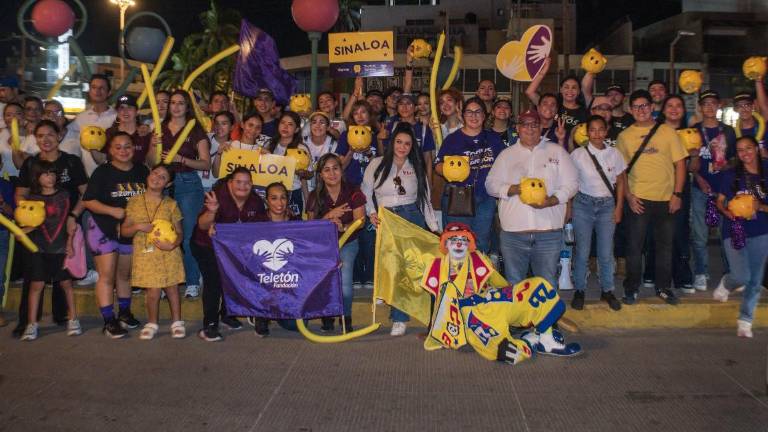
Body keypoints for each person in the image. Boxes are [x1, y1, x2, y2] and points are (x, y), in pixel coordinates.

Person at [421, 223, 581, 362]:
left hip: (494, 299)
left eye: (463, 240)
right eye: (453, 239)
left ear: (469, 243)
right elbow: (437, 301)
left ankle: (546, 339)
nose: (458, 244)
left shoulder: (478, 258)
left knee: (538, 286)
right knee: (503, 349)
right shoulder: (437, 266)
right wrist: (434, 330)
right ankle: (531, 341)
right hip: (474, 315)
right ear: (445, 243)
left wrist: (508, 291)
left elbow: (496, 280)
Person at [486, 109, 578, 287]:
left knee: (547, 284)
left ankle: (546, 307)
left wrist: (552, 200)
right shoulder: (506, 155)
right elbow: (490, 185)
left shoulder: (557, 152)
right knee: (515, 284)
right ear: (517, 128)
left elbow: (572, 184)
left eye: (534, 124)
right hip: (514, 233)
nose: (530, 128)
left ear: (541, 127)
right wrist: (513, 189)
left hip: (548, 233)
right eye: (525, 124)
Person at [362, 123, 438, 336]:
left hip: (411, 217)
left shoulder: (416, 166)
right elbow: (365, 192)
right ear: (392, 142)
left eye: (407, 144)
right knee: (393, 269)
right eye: (398, 142)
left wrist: (434, 228)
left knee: (412, 269)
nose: (402, 147)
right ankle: (396, 312)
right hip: (387, 219)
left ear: (412, 146)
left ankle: (415, 317)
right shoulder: (376, 164)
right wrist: (371, 212)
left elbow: (425, 200)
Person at [13, 120, 87, 338]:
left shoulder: (71, 162)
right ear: (35, 139)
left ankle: (64, 316)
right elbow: (20, 194)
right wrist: (30, 214)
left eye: (50, 135)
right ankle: (27, 322)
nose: (45, 139)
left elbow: (86, 193)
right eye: (40, 135)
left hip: (65, 226)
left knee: (63, 278)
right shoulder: (30, 164)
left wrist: (74, 216)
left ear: (59, 136)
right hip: (37, 230)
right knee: (33, 278)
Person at [616, 89, 687, 305]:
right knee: (634, 247)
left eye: (645, 105)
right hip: (638, 200)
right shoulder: (624, 137)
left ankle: (663, 287)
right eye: (636, 107)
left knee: (664, 247)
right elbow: (621, 172)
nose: (641, 110)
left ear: (652, 107)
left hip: (666, 199)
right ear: (630, 110)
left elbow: (680, 165)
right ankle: (631, 288)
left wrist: (677, 194)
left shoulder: (668, 132)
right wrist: (628, 196)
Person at [83, 132, 148, 338]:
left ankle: (124, 313)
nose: (123, 151)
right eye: (117, 147)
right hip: (103, 228)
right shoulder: (102, 172)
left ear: (134, 148)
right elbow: (88, 201)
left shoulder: (141, 170)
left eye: (127, 146)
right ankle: (109, 321)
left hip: (130, 230)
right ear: (110, 150)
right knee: (107, 275)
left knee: (125, 274)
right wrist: (112, 211)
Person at [148, 90, 211, 299]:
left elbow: (206, 163)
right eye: (172, 103)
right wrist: (153, 145)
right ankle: (165, 281)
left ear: (187, 106)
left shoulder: (195, 130)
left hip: (188, 184)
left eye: (181, 103)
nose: (175, 107)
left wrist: (181, 159)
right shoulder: (159, 128)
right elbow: (150, 162)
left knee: (188, 235)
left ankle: (192, 281)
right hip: (162, 184)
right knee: (161, 232)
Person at [193, 167, 267, 341]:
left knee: (235, 277)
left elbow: (259, 228)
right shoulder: (216, 196)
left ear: (252, 184)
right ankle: (210, 325)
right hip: (206, 245)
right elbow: (202, 225)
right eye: (238, 182)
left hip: (235, 248)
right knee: (214, 281)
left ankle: (227, 315)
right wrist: (212, 212)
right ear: (230, 183)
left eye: (247, 183)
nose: (243, 186)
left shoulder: (256, 201)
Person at [712, 136, 768, 338]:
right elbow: (719, 201)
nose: (745, 153)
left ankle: (745, 319)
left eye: (749, 148)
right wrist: (725, 211)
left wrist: (760, 207)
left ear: (757, 149)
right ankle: (727, 283)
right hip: (734, 229)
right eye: (740, 150)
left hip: (761, 232)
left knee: (755, 279)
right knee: (741, 276)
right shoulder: (731, 174)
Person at [121, 164, 185, 340]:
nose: (157, 177)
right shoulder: (134, 202)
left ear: (168, 184)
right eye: (155, 173)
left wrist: (173, 245)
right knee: (152, 291)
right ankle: (152, 323)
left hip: (169, 253)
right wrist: (137, 226)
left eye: (163, 177)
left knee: (172, 288)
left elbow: (180, 233)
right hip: (145, 255)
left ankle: (177, 322)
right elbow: (124, 231)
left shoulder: (171, 204)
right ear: (149, 174)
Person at [569, 115, 626, 311]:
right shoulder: (578, 154)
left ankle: (607, 289)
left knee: (606, 251)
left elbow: (621, 181)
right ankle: (579, 289)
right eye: (592, 130)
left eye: (601, 129)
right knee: (582, 251)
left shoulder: (614, 153)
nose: (597, 134)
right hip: (583, 204)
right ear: (587, 132)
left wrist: (619, 207)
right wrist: (569, 207)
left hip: (607, 205)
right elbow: (570, 181)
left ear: (606, 131)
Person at [19, 159, 80, 341]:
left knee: (66, 284)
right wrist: (22, 232)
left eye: (52, 173)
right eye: (45, 174)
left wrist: (69, 244)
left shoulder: (64, 195)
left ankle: (73, 319)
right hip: (39, 249)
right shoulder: (32, 199)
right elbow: (33, 224)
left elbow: (70, 223)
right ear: (36, 177)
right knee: (36, 285)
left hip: (61, 248)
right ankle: (31, 324)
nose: (50, 177)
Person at [435, 97, 505, 253]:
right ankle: (459, 269)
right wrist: (449, 171)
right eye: (469, 112)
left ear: (484, 115)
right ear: (463, 115)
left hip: (486, 198)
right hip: (459, 196)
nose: (474, 116)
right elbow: (437, 165)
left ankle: (478, 269)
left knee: (481, 242)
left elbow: (504, 165)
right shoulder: (453, 139)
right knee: (458, 241)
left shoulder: (493, 139)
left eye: (478, 112)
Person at [307, 153, 366, 332]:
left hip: (348, 243)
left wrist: (343, 227)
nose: (332, 173)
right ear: (320, 175)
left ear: (342, 170)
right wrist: (328, 217)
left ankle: (345, 317)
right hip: (323, 246)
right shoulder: (314, 196)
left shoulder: (354, 191)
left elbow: (361, 222)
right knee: (324, 281)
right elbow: (310, 228)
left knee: (345, 283)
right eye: (326, 170)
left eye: (335, 168)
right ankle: (327, 314)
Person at [691, 90, 736, 292]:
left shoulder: (728, 131)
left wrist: (726, 165)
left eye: (713, 103)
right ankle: (701, 272)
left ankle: (729, 273)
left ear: (719, 106)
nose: (709, 107)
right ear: (700, 107)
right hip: (700, 188)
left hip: (724, 189)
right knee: (699, 234)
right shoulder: (693, 131)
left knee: (725, 233)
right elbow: (689, 164)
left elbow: (735, 159)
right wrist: (699, 178)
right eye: (705, 103)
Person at [249, 181, 303, 336]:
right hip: (263, 277)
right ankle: (260, 314)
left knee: (295, 325)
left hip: (288, 278)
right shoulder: (257, 222)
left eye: (283, 198)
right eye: (274, 198)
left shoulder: (296, 222)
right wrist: (217, 230)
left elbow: (307, 250)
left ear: (288, 199)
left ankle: (278, 311)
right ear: (266, 200)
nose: (279, 203)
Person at [525, 58, 588, 138]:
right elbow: (529, 92)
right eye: (566, 87)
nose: (570, 91)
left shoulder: (583, 112)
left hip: (569, 145)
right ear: (561, 89)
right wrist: (544, 70)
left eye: (574, 87)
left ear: (579, 91)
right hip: (547, 143)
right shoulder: (552, 104)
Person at [70, 74, 117, 176]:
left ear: (109, 92)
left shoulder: (117, 118)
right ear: (89, 91)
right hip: (88, 176)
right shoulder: (81, 118)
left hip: (112, 175)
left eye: (102, 88)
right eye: (94, 87)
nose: (97, 91)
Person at [267, 111, 312, 214]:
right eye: (283, 123)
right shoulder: (270, 144)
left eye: (290, 124)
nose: (285, 127)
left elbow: (310, 174)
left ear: (296, 129)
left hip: (293, 192)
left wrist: (303, 173)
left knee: (293, 222)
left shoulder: (301, 148)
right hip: (272, 193)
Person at [211, 112, 270, 179]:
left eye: (258, 127)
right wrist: (219, 154)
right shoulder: (228, 146)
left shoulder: (262, 152)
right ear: (242, 124)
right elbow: (216, 174)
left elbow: (265, 178)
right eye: (250, 125)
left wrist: (269, 159)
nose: (253, 130)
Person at [101, 95, 150, 165]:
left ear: (137, 112)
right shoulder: (110, 133)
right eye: (121, 108)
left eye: (129, 107)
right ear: (117, 113)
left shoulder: (145, 133)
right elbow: (101, 160)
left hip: (140, 171)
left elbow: (151, 162)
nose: (125, 111)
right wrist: (92, 146)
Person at [303, 111, 338, 192]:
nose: (317, 125)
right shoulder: (303, 142)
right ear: (310, 126)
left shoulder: (333, 145)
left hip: (326, 188)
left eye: (322, 122)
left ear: (328, 127)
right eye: (314, 122)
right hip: (304, 188)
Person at [733, 93, 766, 157]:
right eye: (739, 106)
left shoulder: (765, 128)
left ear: (753, 106)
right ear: (735, 109)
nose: (743, 109)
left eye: (747, 105)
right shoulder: (732, 133)